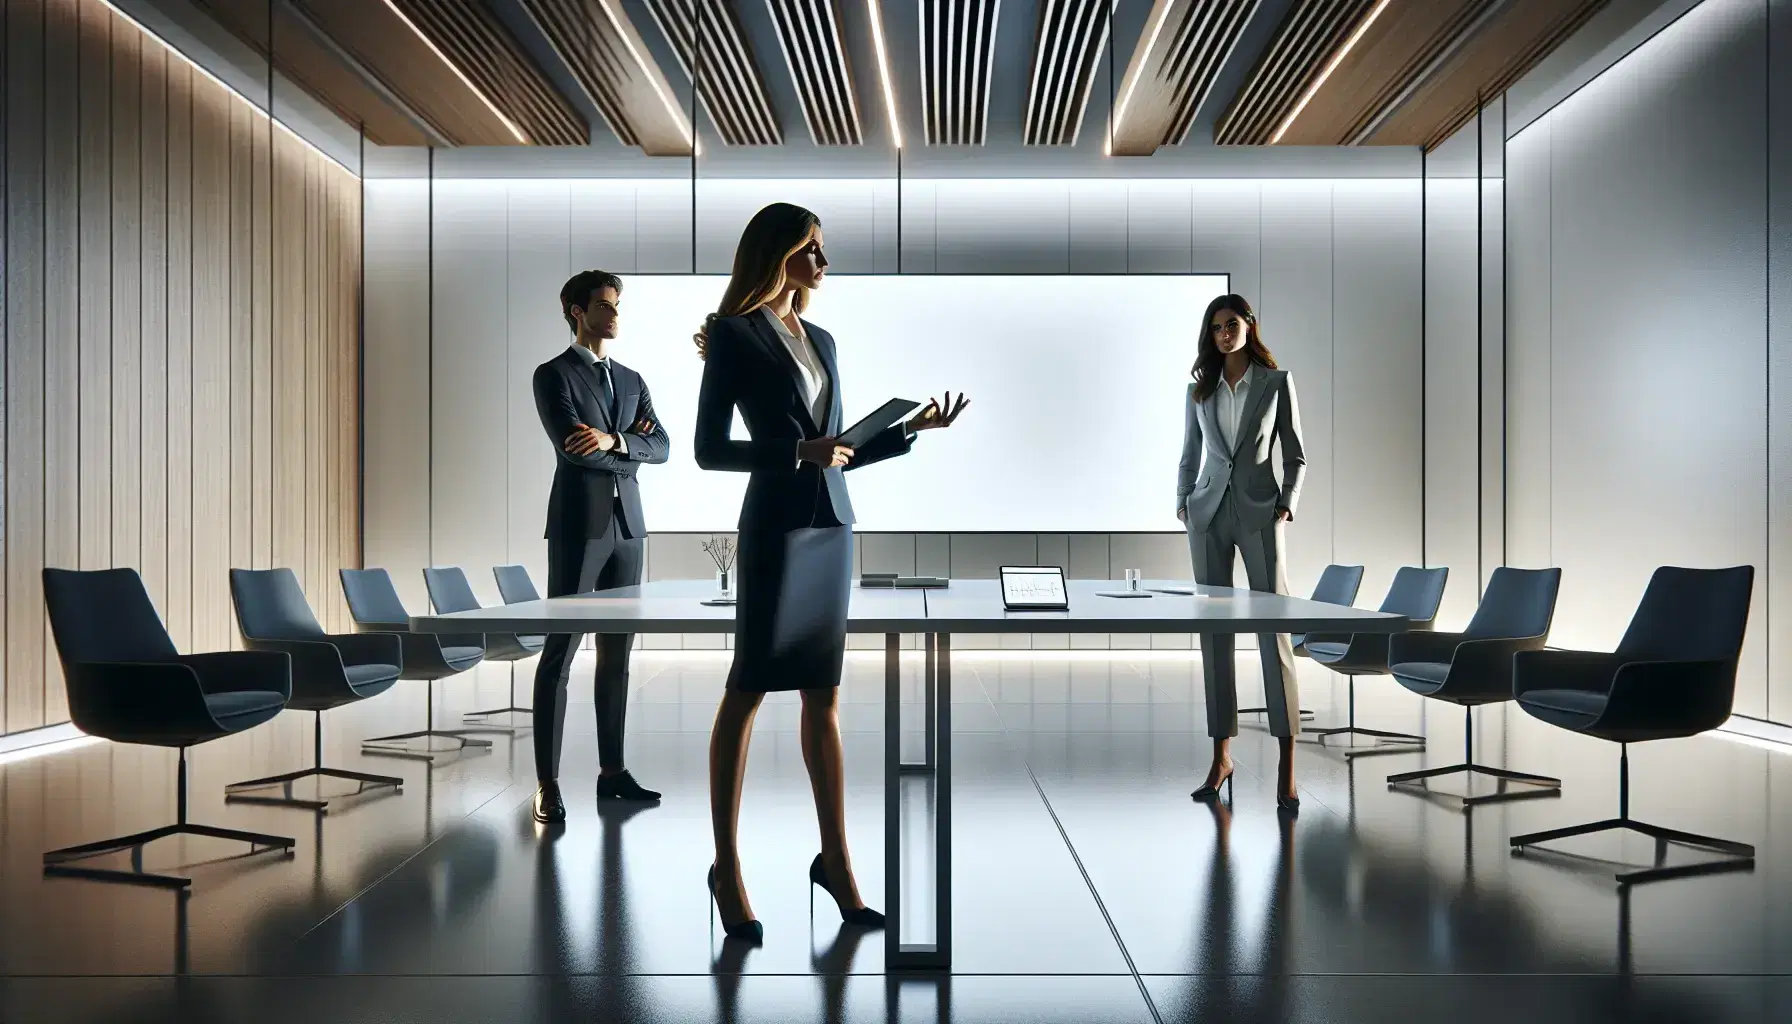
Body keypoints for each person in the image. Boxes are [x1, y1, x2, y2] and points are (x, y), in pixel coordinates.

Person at [692, 203, 968, 943]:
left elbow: (838, 448)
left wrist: (909, 431)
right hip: (776, 529)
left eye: (822, 249)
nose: (823, 261)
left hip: (833, 527)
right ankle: (727, 865)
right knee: (747, 690)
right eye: (812, 249)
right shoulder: (733, 336)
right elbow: (708, 451)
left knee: (825, 696)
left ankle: (837, 863)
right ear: (778, 254)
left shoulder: (823, 338)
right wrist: (793, 455)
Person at [529, 270, 671, 825]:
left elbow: (661, 446)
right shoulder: (553, 375)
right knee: (559, 654)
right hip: (578, 527)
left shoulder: (632, 379)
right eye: (604, 306)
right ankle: (547, 783)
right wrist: (628, 450)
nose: (614, 315)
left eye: (617, 306)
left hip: (627, 529)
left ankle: (612, 774)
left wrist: (615, 441)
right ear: (574, 310)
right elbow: (573, 451)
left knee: (617, 658)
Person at [1177, 293, 1306, 813]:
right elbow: (1189, 454)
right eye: (1216, 328)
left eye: (1233, 324)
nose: (1225, 334)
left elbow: (1295, 453)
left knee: (1274, 637)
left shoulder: (1276, 383)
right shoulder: (1198, 390)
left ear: (1250, 326)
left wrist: (1286, 506)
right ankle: (1221, 757)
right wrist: (1183, 505)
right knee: (1216, 638)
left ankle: (1287, 766)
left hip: (1258, 514)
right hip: (1207, 516)